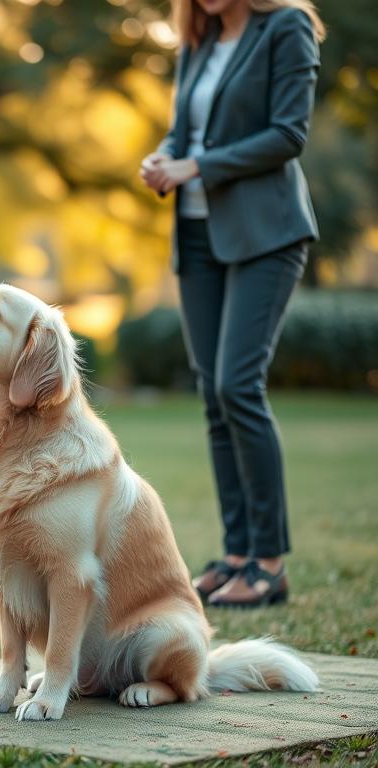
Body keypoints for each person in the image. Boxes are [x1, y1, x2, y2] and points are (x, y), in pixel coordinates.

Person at [140, 0, 325, 607]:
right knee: (214, 396)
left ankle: (269, 563)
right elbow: (186, 129)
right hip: (197, 237)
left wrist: (197, 165)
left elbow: (287, 134)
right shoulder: (197, 37)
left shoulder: (287, 27)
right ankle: (238, 554)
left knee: (238, 385)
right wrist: (165, 156)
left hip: (265, 236)